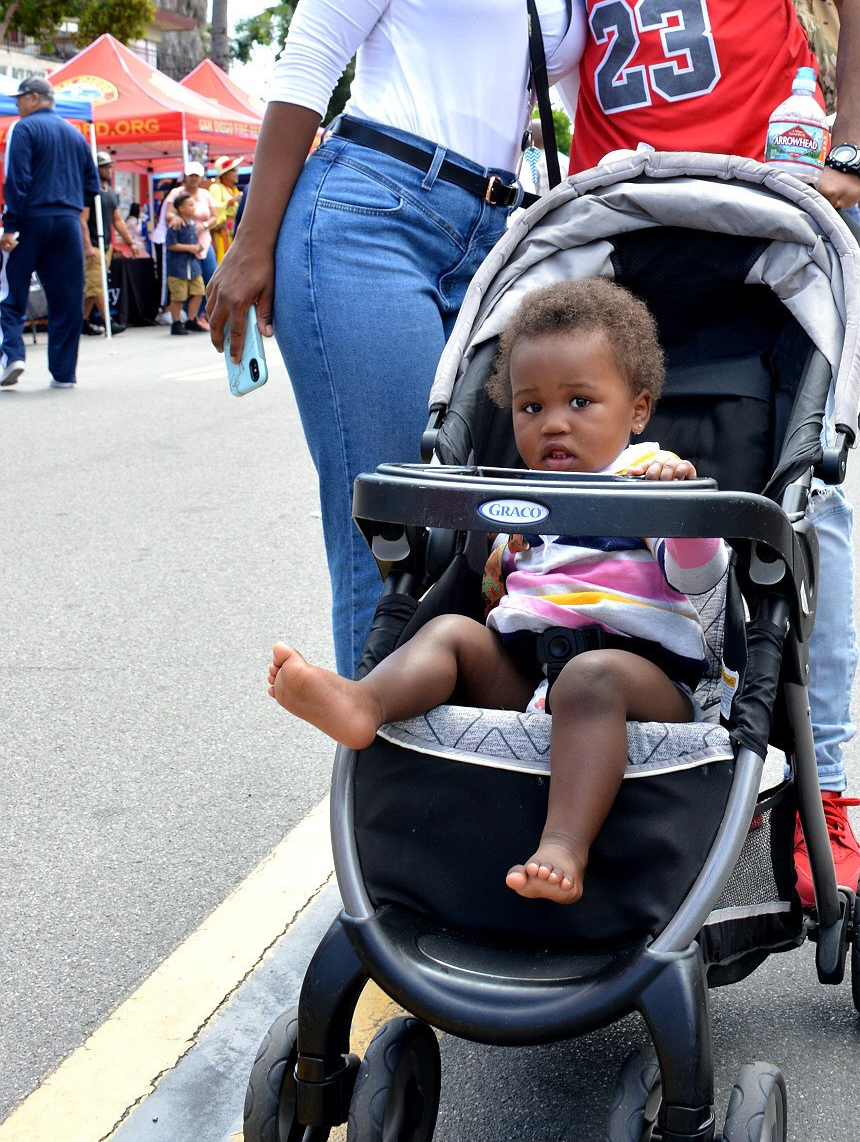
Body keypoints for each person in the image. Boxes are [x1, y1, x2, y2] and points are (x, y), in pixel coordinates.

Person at [305, 0, 860, 899]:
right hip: (618, 220)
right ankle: (543, 731)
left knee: (803, 502)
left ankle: (825, 786)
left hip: (759, 207)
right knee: (578, 483)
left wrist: (853, 161)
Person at [208, 0, 593, 678]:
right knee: (393, 535)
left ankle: (448, 752)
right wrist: (252, 247)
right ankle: (375, 774)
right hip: (369, 216)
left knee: (486, 536)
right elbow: (307, 63)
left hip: (495, 244)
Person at [269, 280, 726, 905]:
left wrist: (681, 509)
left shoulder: (645, 479)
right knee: (453, 634)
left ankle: (563, 845)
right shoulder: (518, 499)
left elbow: (700, 577)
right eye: (530, 407)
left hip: (639, 683)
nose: (554, 423)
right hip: (531, 676)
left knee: (590, 678)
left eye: (581, 402)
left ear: (637, 410)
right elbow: (497, 596)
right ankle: (364, 702)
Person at [0, 77, 101, 389]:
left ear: (33, 98)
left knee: (11, 292)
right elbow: (92, 185)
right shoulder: (75, 133)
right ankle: (63, 373)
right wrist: (73, 211)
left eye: (19, 100)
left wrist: (9, 225)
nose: (17, 106)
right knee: (67, 298)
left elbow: (16, 178)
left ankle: (12, 355)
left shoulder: (23, 128)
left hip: (31, 218)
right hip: (68, 221)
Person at [81, 149, 144, 334]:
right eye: (104, 167)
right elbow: (82, 220)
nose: (109, 170)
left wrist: (130, 242)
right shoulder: (89, 191)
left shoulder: (110, 193)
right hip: (93, 243)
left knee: (94, 285)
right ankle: (108, 321)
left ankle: (82, 321)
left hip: (106, 245)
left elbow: (117, 220)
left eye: (110, 166)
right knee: (97, 284)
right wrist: (87, 246)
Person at [164, 191, 206, 334]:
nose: (194, 207)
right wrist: (190, 248)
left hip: (192, 265)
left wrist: (197, 247)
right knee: (178, 296)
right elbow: (171, 244)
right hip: (178, 266)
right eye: (190, 205)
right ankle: (176, 323)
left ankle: (191, 320)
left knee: (199, 291)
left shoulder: (192, 224)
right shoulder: (175, 224)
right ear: (181, 208)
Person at [207, 157, 245, 264]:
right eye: (234, 170)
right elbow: (213, 207)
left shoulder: (233, 189)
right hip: (223, 233)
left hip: (233, 231)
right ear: (225, 174)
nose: (237, 173)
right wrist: (231, 201)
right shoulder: (216, 188)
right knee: (224, 262)